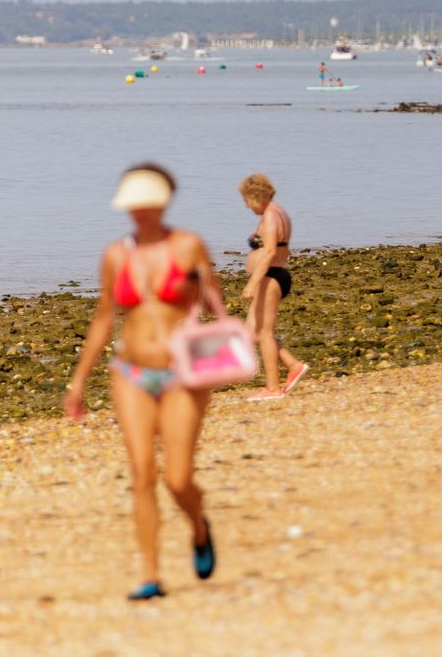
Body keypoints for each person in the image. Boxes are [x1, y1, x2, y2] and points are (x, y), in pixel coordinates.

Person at [64, 164, 222, 601]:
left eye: (146, 205)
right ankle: (151, 574)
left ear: (161, 203)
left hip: (182, 374)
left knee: (177, 478)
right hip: (130, 372)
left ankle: (198, 526)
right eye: (133, 206)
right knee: (141, 474)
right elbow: (103, 319)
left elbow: (214, 305)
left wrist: (199, 284)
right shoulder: (117, 255)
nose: (139, 213)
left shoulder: (188, 245)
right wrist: (79, 381)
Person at [239, 173, 308, 401]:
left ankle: (272, 388)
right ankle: (293, 365)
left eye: (246, 201)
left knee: (264, 333)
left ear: (255, 196)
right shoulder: (279, 212)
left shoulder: (270, 217)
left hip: (270, 277)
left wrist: (252, 283)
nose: (247, 206)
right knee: (251, 332)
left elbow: (269, 252)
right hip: (272, 276)